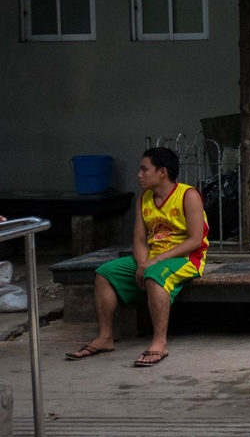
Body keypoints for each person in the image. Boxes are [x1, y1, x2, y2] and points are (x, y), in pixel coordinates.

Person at [67, 147, 208, 367]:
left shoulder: (188, 195)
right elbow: (139, 239)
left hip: (187, 258)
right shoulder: (144, 199)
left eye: (144, 169)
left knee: (154, 274)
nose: (138, 174)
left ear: (162, 172)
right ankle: (105, 337)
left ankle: (159, 343)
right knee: (105, 272)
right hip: (153, 257)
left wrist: (154, 262)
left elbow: (195, 240)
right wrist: (143, 263)